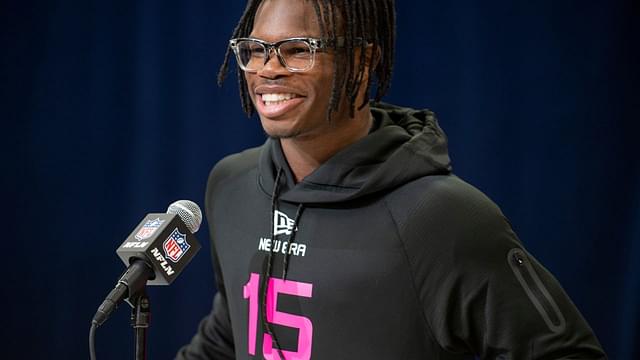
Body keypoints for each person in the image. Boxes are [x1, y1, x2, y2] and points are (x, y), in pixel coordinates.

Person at [177, 0, 607, 358]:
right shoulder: (231, 184)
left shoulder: (442, 216)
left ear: (363, 63)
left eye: (297, 49)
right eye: (255, 49)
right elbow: (227, 336)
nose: (268, 69)